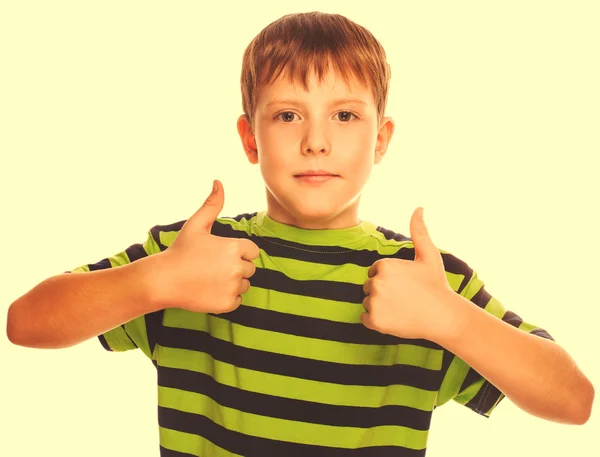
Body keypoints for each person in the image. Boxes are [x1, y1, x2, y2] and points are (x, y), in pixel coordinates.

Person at [6, 11, 594, 457]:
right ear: (250, 137)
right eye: (288, 115)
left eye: (345, 115)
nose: (316, 140)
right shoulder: (189, 256)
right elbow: (26, 322)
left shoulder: (425, 281)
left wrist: (449, 319)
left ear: (381, 139)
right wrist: (154, 281)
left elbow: (573, 401)